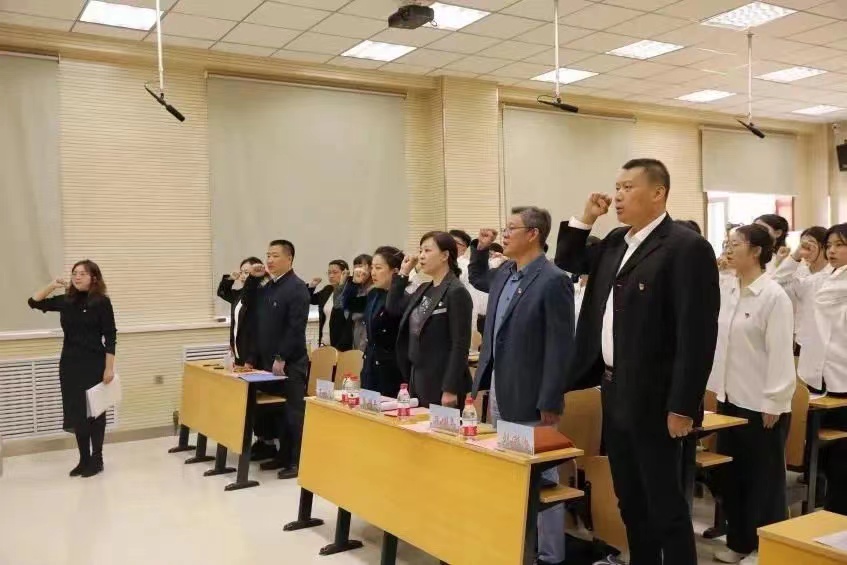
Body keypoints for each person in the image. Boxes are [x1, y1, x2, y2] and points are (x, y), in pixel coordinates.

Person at [555, 158, 720, 565]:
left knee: (665, 503)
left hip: (659, 398)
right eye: (617, 187)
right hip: (615, 389)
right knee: (629, 498)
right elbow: (568, 262)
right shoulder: (616, 241)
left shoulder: (686, 247)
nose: (617, 196)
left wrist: (682, 407)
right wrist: (585, 219)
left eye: (628, 187)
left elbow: (697, 335)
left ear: (658, 192)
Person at [468, 206, 574, 565]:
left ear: (533, 234)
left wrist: (550, 399)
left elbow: (560, 347)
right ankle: (514, 545)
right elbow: (477, 277)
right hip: (501, 385)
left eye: (511, 228)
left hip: (532, 393)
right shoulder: (505, 273)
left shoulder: (553, 279)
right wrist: (481, 249)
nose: (505, 234)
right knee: (508, 467)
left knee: (542, 476)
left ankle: (550, 555)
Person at [707, 224, 796, 564]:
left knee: (764, 481)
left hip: (762, 404)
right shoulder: (728, 288)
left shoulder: (773, 296)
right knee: (734, 476)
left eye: (736, 244)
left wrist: (775, 401)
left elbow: (780, 354)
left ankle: (766, 549)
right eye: (726, 243)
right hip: (730, 397)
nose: (728, 249)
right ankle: (740, 542)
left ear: (757, 251)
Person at [28, 260, 117, 478]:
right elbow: (34, 302)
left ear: (94, 278)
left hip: (94, 364)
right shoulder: (67, 301)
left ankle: (97, 459)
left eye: (82, 274)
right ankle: (83, 459)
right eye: (74, 273)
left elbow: (110, 336)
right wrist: (53, 284)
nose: (77, 277)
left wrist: (109, 368)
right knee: (77, 413)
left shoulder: (101, 302)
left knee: (95, 412)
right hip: (70, 364)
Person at [244, 239, 310, 479]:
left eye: (275, 256)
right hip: (266, 363)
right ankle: (282, 456)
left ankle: (298, 461)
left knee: (293, 413)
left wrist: (282, 356)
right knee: (275, 412)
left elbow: (295, 328)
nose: (269, 260)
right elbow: (250, 310)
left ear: (289, 258)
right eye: (268, 255)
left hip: (290, 362)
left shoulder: (297, 288)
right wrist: (253, 280)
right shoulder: (268, 286)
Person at [390, 232, 473, 408]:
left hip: (442, 380)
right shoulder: (424, 288)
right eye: (420, 250)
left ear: (445, 255)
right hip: (417, 375)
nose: (421, 256)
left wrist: (450, 389)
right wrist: (403, 273)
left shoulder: (456, 291)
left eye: (427, 251)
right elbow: (393, 308)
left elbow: (460, 345)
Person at [808, 223, 847, 514]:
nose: (831, 251)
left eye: (839, 245)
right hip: (820, 374)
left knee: (842, 455)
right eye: (829, 245)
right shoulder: (827, 278)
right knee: (826, 455)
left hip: (842, 375)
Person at [342, 247, 404, 397]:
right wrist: (354, 283)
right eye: (372, 268)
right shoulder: (375, 293)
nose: (373, 273)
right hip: (370, 363)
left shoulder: (403, 296)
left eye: (378, 268)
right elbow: (350, 304)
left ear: (395, 271)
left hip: (391, 368)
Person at [772, 226, 832, 359]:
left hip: (828, 341)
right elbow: (775, 285)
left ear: (824, 246)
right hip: (802, 339)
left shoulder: (833, 273)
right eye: (803, 243)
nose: (806, 247)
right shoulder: (798, 271)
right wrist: (795, 256)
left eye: (811, 243)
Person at [217, 257, 263, 366]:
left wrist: (251, 359)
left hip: (253, 354)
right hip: (238, 350)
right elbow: (222, 292)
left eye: (246, 273)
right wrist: (230, 278)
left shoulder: (260, 296)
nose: (242, 276)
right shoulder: (239, 295)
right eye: (241, 272)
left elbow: (258, 331)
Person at [307, 259, 353, 350]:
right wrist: (311, 286)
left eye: (335, 272)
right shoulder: (327, 290)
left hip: (341, 345)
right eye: (329, 273)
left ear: (345, 273)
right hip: (324, 341)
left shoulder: (350, 291)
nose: (331, 276)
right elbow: (310, 300)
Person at [349, 254, 373, 352]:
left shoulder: (373, 289)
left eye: (361, 266)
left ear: (370, 268)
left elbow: (359, 313)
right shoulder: (356, 288)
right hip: (357, 332)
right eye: (355, 267)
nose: (358, 270)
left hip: (367, 335)